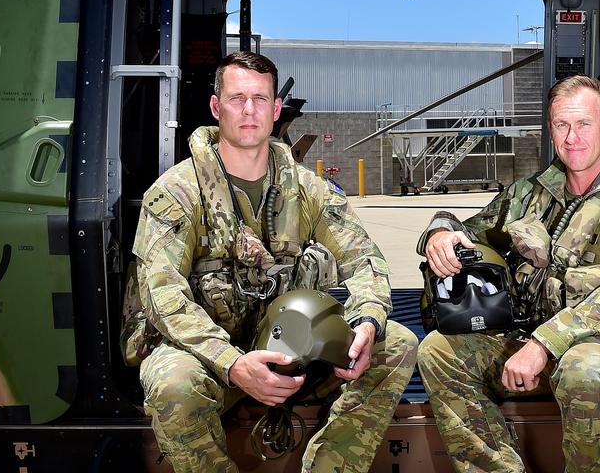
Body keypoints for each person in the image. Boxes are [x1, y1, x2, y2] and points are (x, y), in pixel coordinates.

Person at [132, 51, 417, 473]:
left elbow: (365, 261)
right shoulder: (177, 192)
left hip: (291, 351)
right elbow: (162, 294)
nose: (249, 110)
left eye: (260, 99)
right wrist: (232, 363)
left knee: (396, 343)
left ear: (276, 109)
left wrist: (368, 322)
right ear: (216, 107)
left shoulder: (305, 189)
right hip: (210, 359)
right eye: (236, 98)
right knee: (173, 383)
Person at [417, 75, 600, 473]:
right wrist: (440, 232)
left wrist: (544, 343)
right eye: (562, 125)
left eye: (584, 124)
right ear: (551, 128)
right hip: (535, 347)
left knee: (585, 369)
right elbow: (472, 227)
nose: (572, 137)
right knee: (439, 351)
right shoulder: (533, 193)